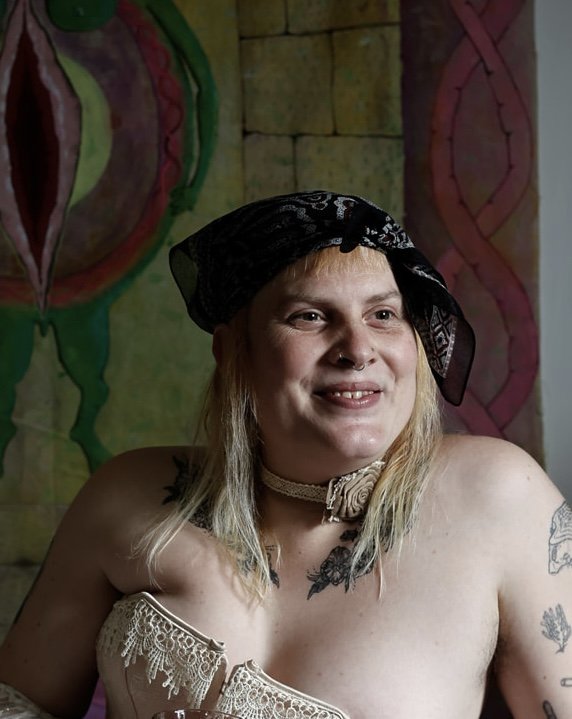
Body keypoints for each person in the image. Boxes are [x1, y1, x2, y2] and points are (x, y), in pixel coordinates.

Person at [0, 190, 570, 719]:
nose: (358, 349)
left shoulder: (499, 495)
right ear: (233, 351)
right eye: (310, 316)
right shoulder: (125, 494)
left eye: (383, 314)